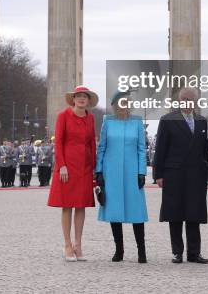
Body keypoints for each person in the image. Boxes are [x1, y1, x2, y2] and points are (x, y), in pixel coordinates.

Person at [153, 87, 208, 264]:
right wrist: (158, 174)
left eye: (190, 99)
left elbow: (205, 150)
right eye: (184, 99)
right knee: (175, 213)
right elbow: (160, 149)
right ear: (178, 100)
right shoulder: (168, 120)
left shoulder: (201, 121)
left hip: (196, 174)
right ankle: (177, 251)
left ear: (195, 101)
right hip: (174, 173)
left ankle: (194, 253)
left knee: (194, 213)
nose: (187, 102)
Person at [95, 91, 148, 264]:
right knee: (115, 210)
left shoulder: (137, 122)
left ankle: (142, 250)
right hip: (112, 172)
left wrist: (142, 171)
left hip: (132, 171)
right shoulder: (107, 122)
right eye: (120, 102)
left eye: (126, 102)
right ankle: (119, 250)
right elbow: (101, 148)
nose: (123, 105)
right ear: (115, 105)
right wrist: (99, 171)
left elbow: (142, 149)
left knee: (136, 211)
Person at [47, 86, 98, 261]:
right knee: (67, 205)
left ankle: (78, 245)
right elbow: (58, 142)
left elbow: (92, 143)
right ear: (73, 99)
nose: (82, 99)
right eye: (79, 96)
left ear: (88, 100)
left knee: (81, 205)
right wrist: (61, 165)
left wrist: (94, 167)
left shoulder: (90, 118)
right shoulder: (63, 116)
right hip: (67, 166)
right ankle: (67, 245)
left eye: (85, 96)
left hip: (84, 166)